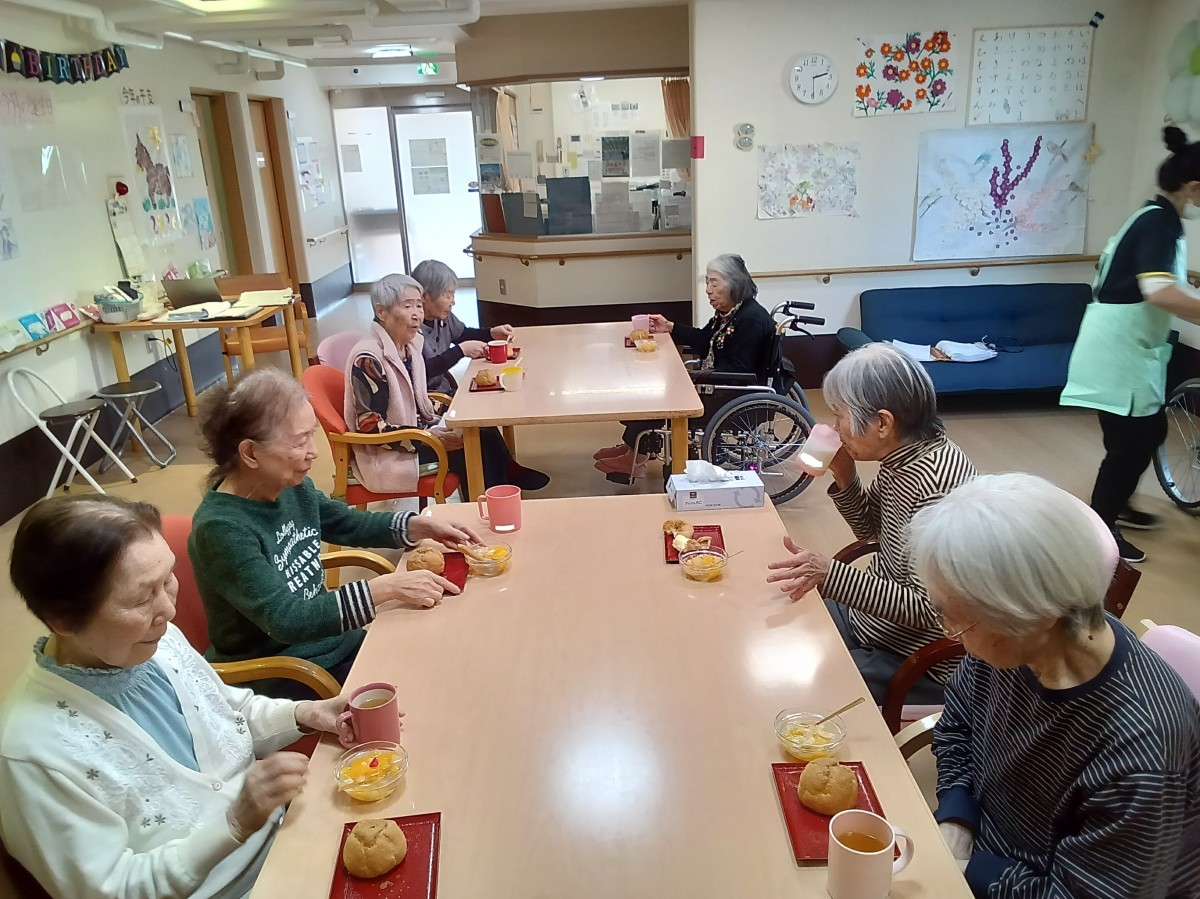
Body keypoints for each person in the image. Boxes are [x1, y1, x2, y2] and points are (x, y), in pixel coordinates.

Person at [0, 494, 359, 899]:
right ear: (62, 620)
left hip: (284, 840)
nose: (169, 610)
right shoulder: (32, 751)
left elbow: (229, 713)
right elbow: (114, 889)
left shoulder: (152, 642)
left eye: (168, 579)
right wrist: (234, 823)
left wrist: (305, 713)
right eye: (142, 598)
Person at [910, 473, 1200, 899]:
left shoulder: (1142, 753)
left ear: (1037, 614)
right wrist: (957, 818)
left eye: (958, 621)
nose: (954, 635)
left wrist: (971, 868)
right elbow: (958, 725)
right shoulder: (1015, 644)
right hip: (983, 857)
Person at [189, 366, 480, 694]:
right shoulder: (222, 529)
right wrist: (384, 588)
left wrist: (417, 525)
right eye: (300, 441)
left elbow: (347, 523)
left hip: (329, 644)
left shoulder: (288, 485)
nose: (313, 452)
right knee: (425, 686)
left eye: (311, 434)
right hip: (285, 672)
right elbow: (287, 620)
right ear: (250, 453)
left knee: (442, 649)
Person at [766, 343, 976, 704]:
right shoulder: (902, 459)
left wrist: (830, 574)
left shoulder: (935, 486)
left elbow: (929, 609)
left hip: (914, 654)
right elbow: (871, 531)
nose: (835, 427)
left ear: (882, 423)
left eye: (840, 415)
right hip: (873, 621)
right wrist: (845, 475)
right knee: (779, 620)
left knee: (794, 683)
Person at [1062, 126, 1200, 564]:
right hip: (1119, 353)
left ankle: (1117, 505)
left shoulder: (1155, 216)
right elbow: (1158, 291)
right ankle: (1100, 530)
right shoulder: (1158, 223)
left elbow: (1161, 286)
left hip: (1124, 349)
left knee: (1148, 433)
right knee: (1129, 447)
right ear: (1194, 187)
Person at [347, 273, 549, 492]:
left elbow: (417, 401)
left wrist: (457, 411)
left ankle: (502, 484)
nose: (417, 315)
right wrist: (428, 437)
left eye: (418, 306)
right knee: (470, 447)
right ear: (381, 312)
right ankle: (490, 501)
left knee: (477, 422)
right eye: (407, 306)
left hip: (416, 432)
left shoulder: (408, 347)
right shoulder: (369, 360)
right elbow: (370, 428)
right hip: (391, 452)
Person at [593, 253, 776, 480]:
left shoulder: (751, 320)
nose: (708, 290)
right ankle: (634, 447)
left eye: (714, 283)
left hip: (730, 395)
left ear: (734, 284)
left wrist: (696, 377)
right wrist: (670, 327)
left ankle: (635, 456)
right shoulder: (730, 313)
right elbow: (704, 339)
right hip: (719, 385)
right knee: (652, 387)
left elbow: (739, 372)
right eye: (707, 282)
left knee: (659, 395)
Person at [413, 258, 514, 395]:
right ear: (425, 296)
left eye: (453, 295)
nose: (453, 302)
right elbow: (421, 370)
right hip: (427, 398)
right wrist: (461, 351)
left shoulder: (443, 317)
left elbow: (462, 334)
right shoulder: (410, 328)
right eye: (448, 296)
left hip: (444, 390)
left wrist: (491, 333)